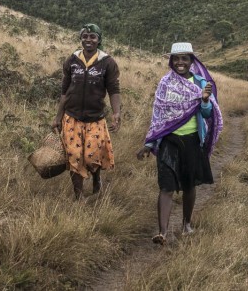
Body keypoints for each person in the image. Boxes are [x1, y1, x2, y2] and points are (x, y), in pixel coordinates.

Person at [136, 42, 223, 245]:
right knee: (166, 186)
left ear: (192, 61)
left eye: (184, 58)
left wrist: (204, 100)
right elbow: (159, 117)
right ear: (171, 61)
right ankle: (162, 232)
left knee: (189, 185)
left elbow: (208, 114)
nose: (180, 62)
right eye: (176, 59)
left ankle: (186, 225)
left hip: (192, 141)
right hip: (168, 142)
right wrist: (149, 144)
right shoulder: (165, 83)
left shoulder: (201, 83)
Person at [52, 23, 121, 200]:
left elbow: (113, 90)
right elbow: (65, 91)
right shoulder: (72, 60)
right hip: (72, 117)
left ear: (99, 40)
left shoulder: (107, 62)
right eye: (85, 36)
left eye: (92, 37)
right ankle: (79, 196)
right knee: (74, 156)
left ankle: (97, 179)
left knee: (92, 157)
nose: (88, 40)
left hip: (96, 118)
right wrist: (58, 117)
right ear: (81, 38)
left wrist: (116, 113)